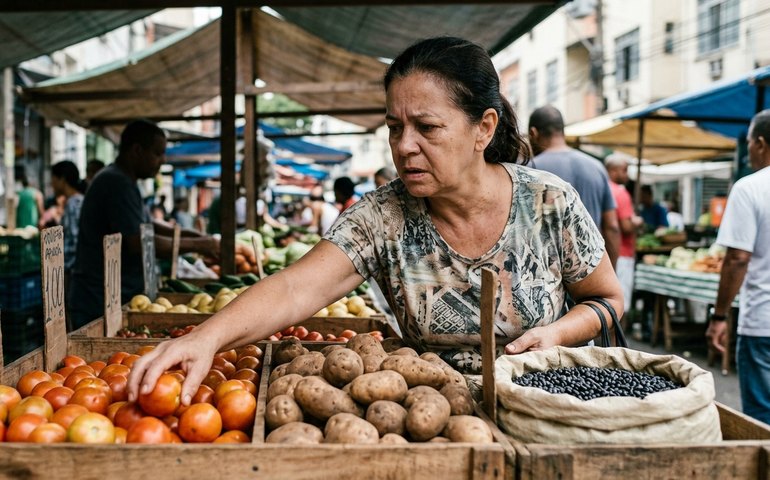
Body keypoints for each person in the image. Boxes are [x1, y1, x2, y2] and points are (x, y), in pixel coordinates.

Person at [128, 37, 622, 404]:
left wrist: (557, 333)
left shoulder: (550, 202)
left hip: (549, 412)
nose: (405, 145)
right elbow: (295, 288)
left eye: (426, 127)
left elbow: (608, 299)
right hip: (435, 422)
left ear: (483, 128)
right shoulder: (383, 217)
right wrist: (206, 338)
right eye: (394, 128)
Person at [68, 119, 220, 330]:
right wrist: (198, 245)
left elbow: (149, 225)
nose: (162, 160)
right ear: (137, 150)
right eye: (158, 154)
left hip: (114, 293)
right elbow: (138, 241)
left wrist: (196, 237)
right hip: (100, 298)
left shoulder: (125, 181)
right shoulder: (115, 183)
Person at [707, 110, 770, 424]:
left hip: (763, 324)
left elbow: (737, 259)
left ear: (760, 143)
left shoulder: (750, 188)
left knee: (762, 418)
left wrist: (719, 316)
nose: (748, 151)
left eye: (748, 143)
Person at [528, 106, 621, 267]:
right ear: (562, 131)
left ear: (533, 133)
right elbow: (612, 226)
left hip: (548, 274)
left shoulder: (530, 169)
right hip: (591, 270)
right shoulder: (597, 167)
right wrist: (610, 275)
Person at [605, 154, 643, 314]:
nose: (627, 175)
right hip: (622, 252)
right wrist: (637, 221)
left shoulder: (603, 188)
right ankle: (618, 339)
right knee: (620, 302)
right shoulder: (620, 193)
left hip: (604, 253)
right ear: (613, 171)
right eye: (624, 171)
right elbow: (625, 226)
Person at [50, 160, 86, 286]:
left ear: (62, 180)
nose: (51, 184)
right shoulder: (79, 200)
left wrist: (66, 270)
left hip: (73, 272)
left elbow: (76, 243)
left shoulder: (73, 204)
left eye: (53, 179)